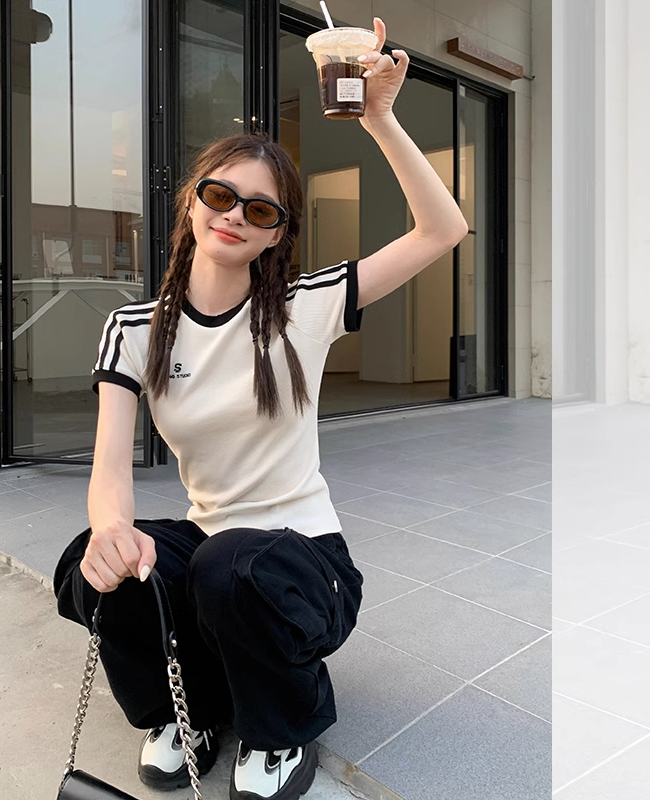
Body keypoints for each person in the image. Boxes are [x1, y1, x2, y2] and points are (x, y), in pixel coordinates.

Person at [53, 17, 468, 800]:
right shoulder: (135, 329)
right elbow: (109, 469)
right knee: (95, 561)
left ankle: (281, 729)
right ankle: (183, 713)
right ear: (191, 202)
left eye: (261, 211)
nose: (235, 215)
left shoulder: (304, 308)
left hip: (303, 564)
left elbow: (443, 229)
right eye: (221, 195)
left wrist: (379, 117)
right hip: (213, 548)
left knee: (232, 565)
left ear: (277, 235)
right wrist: (111, 532)